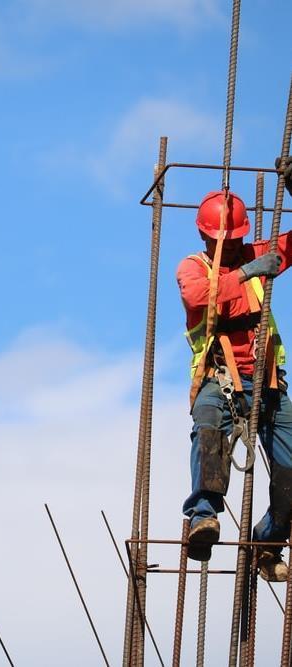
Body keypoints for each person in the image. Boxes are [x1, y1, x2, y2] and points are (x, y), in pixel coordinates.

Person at [177, 173, 292, 581]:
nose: (235, 246)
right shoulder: (193, 267)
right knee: (207, 432)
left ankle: (268, 541)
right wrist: (247, 274)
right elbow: (197, 296)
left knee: (290, 473)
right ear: (208, 239)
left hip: (267, 383)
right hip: (218, 381)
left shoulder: (253, 255)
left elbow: (290, 246)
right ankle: (203, 519)